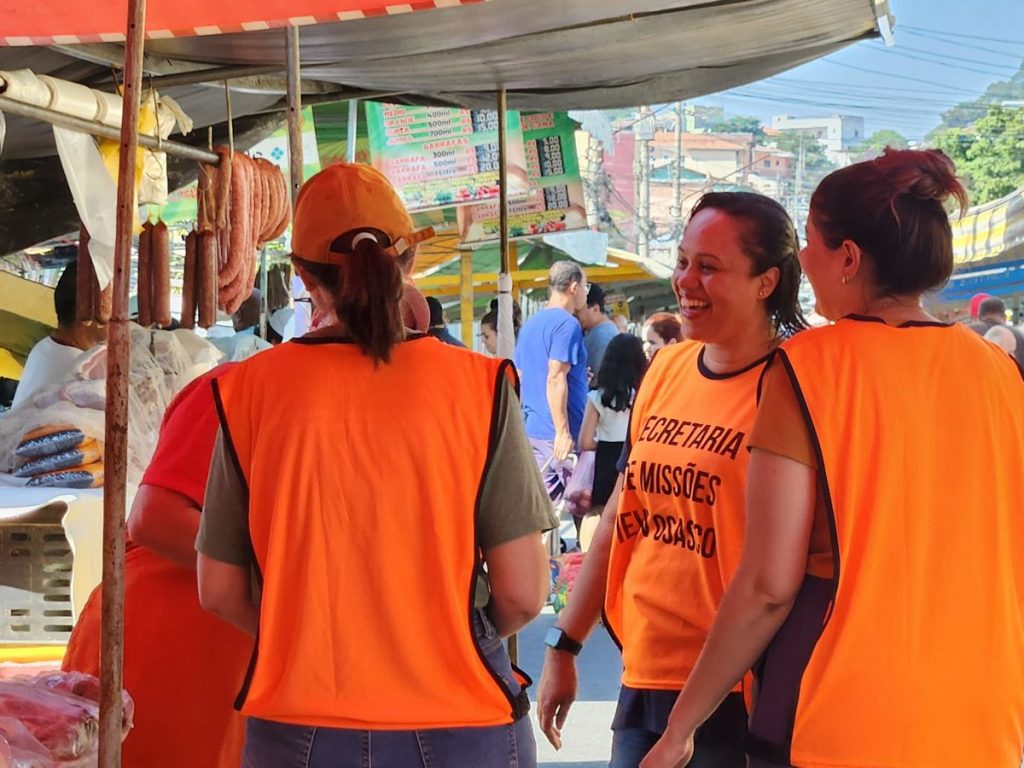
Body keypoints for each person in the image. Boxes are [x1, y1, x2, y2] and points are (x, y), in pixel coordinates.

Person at [643, 149, 1024, 768]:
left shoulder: (808, 368)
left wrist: (680, 726)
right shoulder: (1000, 372)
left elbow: (767, 586)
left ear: (848, 258)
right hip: (983, 715)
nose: (802, 259)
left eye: (811, 241)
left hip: (837, 715)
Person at [196, 162, 555, 768]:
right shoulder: (479, 386)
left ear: (303, 276)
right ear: (408, 262)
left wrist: (304, 641)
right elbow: (522, 594)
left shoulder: (249, 390)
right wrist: (452, 637)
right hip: (461, 717)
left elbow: (220, 589)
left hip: (300, 726)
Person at [537, 191, 808, 768]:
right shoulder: (666, 368)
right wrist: (565, 642)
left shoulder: (792, 387)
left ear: (766, 281)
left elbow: (773, 580)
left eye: (708, 267)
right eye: (683, 261)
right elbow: (622, 513)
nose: (685, 281)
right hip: (644, 672)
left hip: (737, 690)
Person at [63, 364, 252, 768]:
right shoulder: (244, 386)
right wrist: (295, 583)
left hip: (246, 657)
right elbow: (155, 520)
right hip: (175, 646)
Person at [514, 261, 590, 499]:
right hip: (561, 437)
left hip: (534, 432)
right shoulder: (567, 325)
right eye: (586, 286)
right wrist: (562, 432)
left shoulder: (530, 326)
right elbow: (555, 377)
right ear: (574, 287)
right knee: (583, 508)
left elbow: (521, 377)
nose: (586, 292)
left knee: (546, 511)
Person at [577, 333, 647, 547]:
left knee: (597, 512)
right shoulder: (644, 394)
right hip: (635, 457)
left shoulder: (598, 397)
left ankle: (587, 556)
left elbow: (584, 441)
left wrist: (603, 444)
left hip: (606, 459)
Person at [12, 262, 105, 408]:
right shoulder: (78, 374)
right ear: (87, 310)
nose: (123, 317)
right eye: (113, 303)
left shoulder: (45, 346)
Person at [578, 283, 620, 379]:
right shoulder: (611, 330)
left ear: (595, 309)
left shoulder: (599, 337)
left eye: (579, 311)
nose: (575, 315)